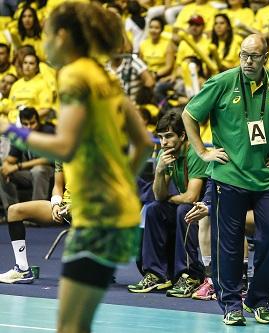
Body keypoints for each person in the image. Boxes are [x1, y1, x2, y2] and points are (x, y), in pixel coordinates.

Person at [0, 3, 153, 332]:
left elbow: (65, 145)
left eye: (46, 34)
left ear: (64, 36)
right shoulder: (107, 81)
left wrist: (13, 130)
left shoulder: (74, 76)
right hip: (116, 213)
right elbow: (143, 142)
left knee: (70, 325)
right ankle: (25, 269)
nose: (44, 43)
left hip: (94, 215)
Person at [182, 34, 269, 326]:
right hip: (229, 177)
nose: (248, 61)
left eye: (254, 56)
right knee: (230, 244)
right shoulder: (221, 82)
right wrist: (202, 151)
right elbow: (188, 115)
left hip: (265, 179)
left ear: (266, 57)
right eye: (244, 55)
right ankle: (231, 304)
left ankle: (258, 300)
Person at [128, 110, 208, 297]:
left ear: (182, 135)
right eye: (161, 137)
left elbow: (191, 197)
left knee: (184, 210)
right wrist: (159, 171)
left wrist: (168, 198)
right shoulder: (165, 155)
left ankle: (190, 275)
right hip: (186, 205)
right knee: (154, 209)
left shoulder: (195, 154)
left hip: (208, 210)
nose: (164, 142)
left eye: (169, 136)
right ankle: (156, 274)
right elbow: (158, 196)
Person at [0, 161, 69, 284]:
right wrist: (56, 204)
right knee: (15, 211)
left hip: (90, 210)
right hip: (65, 207)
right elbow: (58, 187)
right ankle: (22, 270)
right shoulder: (62, 157)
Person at [0, 107, 54, 212]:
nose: (29, 127)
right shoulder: (21, 135)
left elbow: (49, 159)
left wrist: (17, 166)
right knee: (1, 171)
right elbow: (10, 159)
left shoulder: (47, 131)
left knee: (38, 170)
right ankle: (12, 211)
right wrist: (6, 166)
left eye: (32, 123)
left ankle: (36, 212)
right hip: (29, 174)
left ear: (38, 121)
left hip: (50, 173)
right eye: (25, 124)